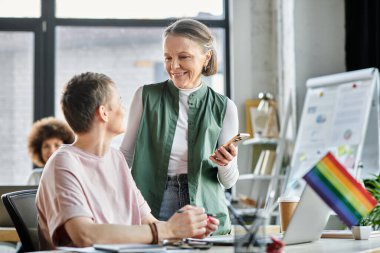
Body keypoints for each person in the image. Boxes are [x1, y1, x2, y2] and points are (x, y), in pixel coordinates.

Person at [36, 72, 218, 250]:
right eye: (119, 103)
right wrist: (168, 230)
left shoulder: (116, 158)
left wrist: (184, 232)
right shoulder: (63, 162)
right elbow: (84, 235)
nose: (124, 110)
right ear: (104, 113)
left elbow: (149, 223)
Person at [120, 18, 239, 235]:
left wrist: (226, 164)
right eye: (167, 58)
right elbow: (125, 155)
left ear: (206, 57)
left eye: (183, 57)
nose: (174, 66)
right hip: (151, 203)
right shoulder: (145, 96)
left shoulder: (224, 107)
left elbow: (228, 181)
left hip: (205, 209)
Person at [27, 117, 75, 184]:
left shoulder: (74, 175)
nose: (52, 151)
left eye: (57, 145)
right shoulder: (35, 177)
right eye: (46, 146)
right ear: (39, 150)